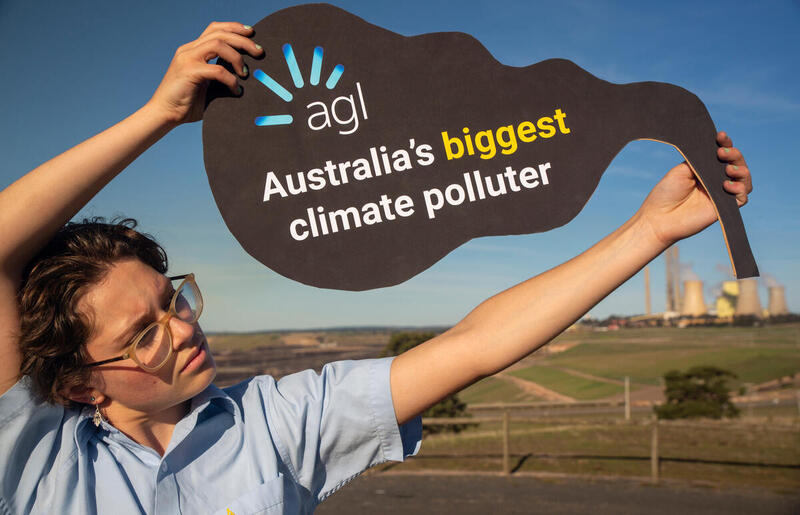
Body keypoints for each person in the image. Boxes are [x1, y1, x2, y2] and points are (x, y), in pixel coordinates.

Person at [0, 22, 751, 515]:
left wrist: (650, 230)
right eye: (143, 335)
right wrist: (158, 115)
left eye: (173, 300)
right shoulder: (33, 455)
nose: (183, 328)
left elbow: (474, 345)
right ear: (78, 383)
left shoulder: (276, 423)